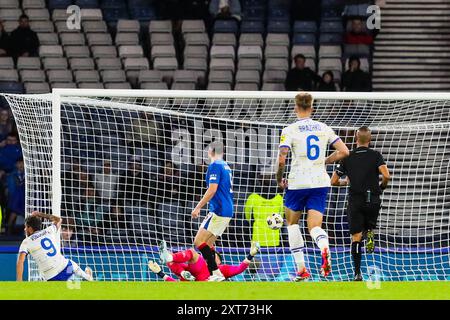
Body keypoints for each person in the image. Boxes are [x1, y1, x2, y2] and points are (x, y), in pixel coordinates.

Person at [276, 92, 349, 281]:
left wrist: (279, 179)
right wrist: (325, 160)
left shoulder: (290, 129)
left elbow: (282, 158)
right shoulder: (323, 127)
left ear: (295, 108)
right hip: (319, 182)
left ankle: (302, 270)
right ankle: (324, 247)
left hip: (297, 182)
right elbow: (344, 151)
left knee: (292, 224)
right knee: (315, 227)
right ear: (312, 108)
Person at [331, 126, 391, 281]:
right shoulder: (376, 155)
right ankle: (370, 231)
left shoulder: (348, 156)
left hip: (355, 200)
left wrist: (345, 183)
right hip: (373, 199)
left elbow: (333, 181)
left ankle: (357, 273)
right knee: (368, 225)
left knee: (356, 237)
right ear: (370, 140)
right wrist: (381, 187)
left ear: (356, 139)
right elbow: (386, 175)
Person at [182, 141, 233, 282]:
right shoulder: (226, 166)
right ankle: (215, 274)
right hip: (228, 210)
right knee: (208, 244)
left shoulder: (215, 165)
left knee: (198, 242)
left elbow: (212, 189)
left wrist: (198, 207)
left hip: (219, 210)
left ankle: (216, 273)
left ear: (210, 151)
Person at [16, 211, 94, 281]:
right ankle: (87, 277)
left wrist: (19, 281)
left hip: (51, 277)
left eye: (26, 227)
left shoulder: (26, 242)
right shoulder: (49, 231)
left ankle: (84, 278)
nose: (25, 229)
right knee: (73, 265)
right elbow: (59, 220)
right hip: (66, 269)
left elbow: (20, 261)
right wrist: (40, 214)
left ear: (30, 228)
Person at [150, 240, 259, 281]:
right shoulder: (202, 263)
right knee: (191, 253)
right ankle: (169, 257)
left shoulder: (222, 269)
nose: (211, 256)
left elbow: (239, 268)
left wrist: (250, 255)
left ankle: (174, 263)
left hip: (202, 280)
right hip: (194, 276)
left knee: (192, 254)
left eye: (214, 256)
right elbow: (177, 286)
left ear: (219, 262)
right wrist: (160, 273)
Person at [244, 174, 284, 247]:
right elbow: (281, 217)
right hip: (274, 240)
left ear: (259, 180)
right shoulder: (279, 198)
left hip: (257, 240)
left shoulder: (253, 197)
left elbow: (247, 217)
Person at [6, 158, 25, 235]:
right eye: (19, 163)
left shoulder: (30, 175)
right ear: (16, 165)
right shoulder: (12, 175)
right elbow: (11, 190)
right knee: (14, 209)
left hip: (25, 198)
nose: (21, 165)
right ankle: (8, 229)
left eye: (22, 163)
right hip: (15, 198)